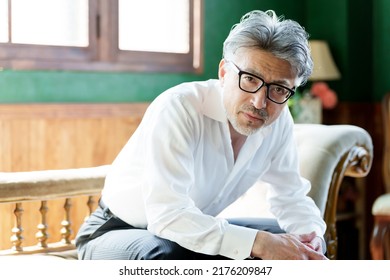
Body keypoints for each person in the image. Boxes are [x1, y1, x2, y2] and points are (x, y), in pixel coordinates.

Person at [76, 9, 328, 260]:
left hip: (187, 229)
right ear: (223, 72)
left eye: (280, 89)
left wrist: (311, 237)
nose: (260, 102)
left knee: (291, 242)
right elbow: (167, 216)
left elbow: (290, 196)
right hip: (115, 230)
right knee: (171, 255)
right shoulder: (179, 107)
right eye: (250, 79)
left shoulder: (279, 120)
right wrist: (259, 244)